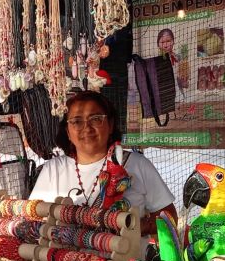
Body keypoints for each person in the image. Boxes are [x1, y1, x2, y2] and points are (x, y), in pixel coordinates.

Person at [29, 91, 176, 234]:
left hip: (125, 251)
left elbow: (169, 218)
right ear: (67, 132)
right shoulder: (52, 170)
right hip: (65, 251)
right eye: (77, 122)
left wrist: (136, 227)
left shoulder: (137, 165)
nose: (87, 128)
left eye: (95, 119)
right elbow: (32, 220)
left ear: (110, 125)